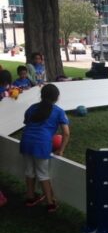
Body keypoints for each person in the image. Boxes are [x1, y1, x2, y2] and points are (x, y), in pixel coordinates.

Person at [20, 84, 70, 212]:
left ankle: (30, 198)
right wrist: (61, 150)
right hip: (41, 145)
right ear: (57, 97)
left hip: (26, 141)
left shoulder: (32, 108)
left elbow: (27, 124)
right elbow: (66, 133)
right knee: (43, 174)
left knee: (29, 171)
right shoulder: (58, 111)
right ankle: (50, 203)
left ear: (41, 95)